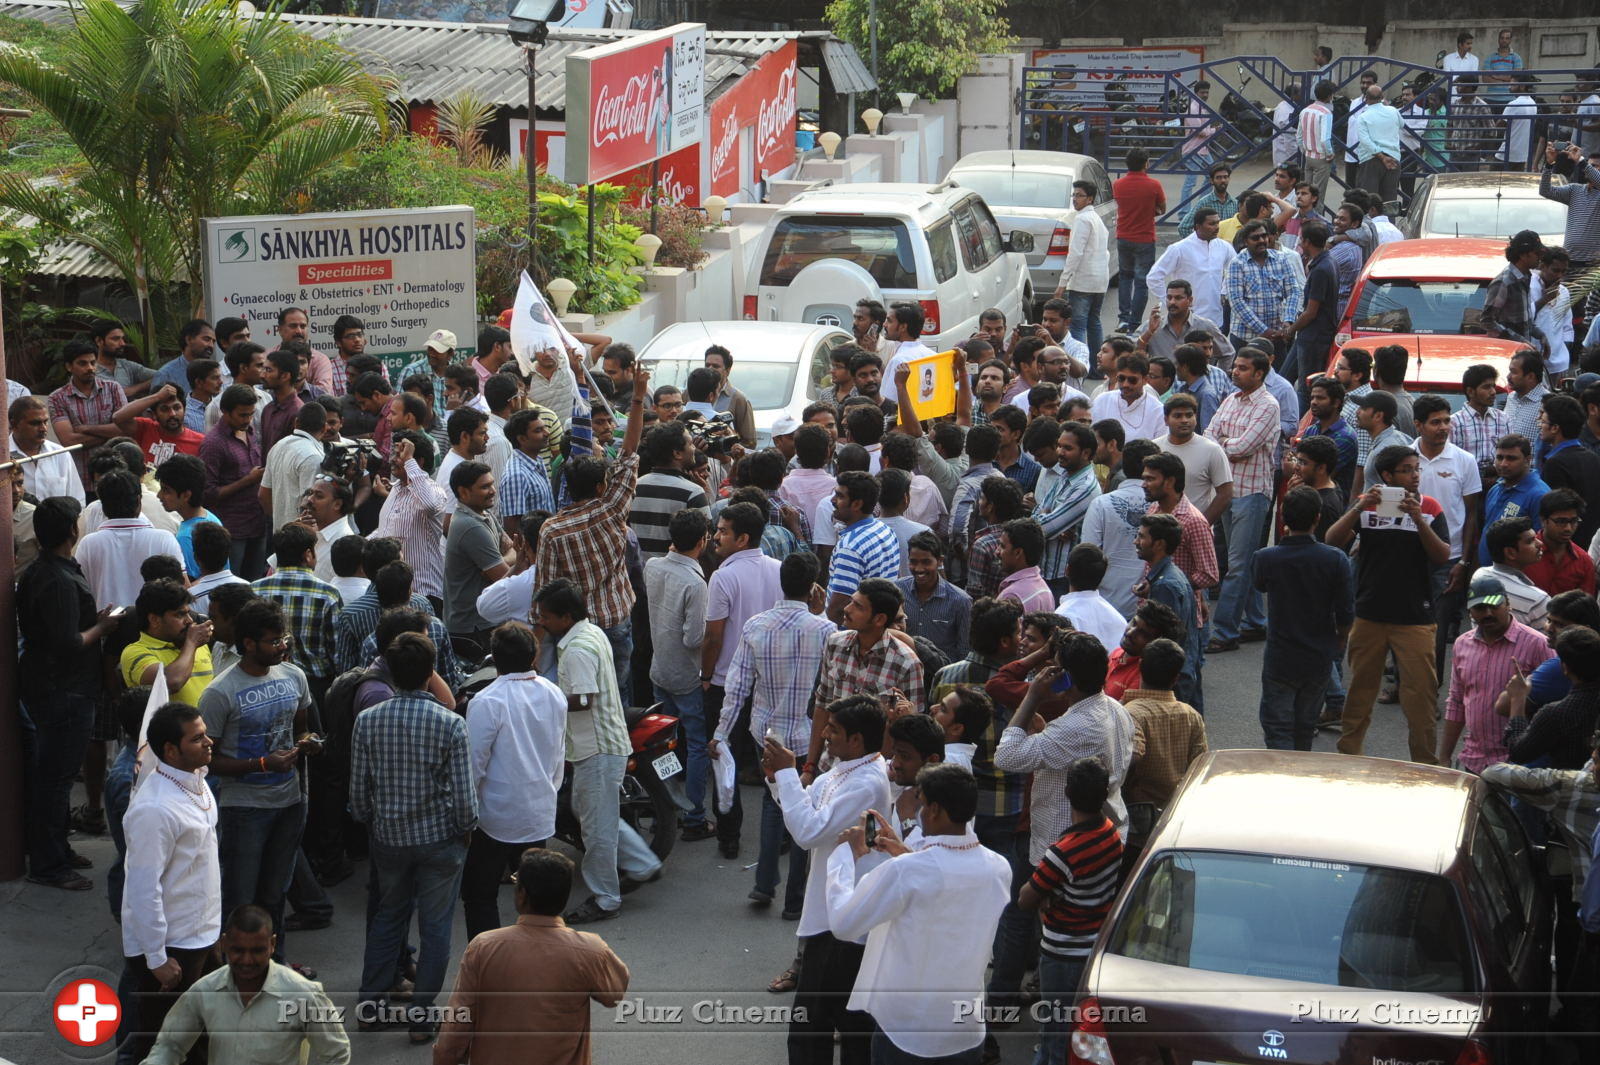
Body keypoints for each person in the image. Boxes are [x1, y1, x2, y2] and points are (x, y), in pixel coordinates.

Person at [824, 763, 1012, 1064]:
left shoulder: (907, 871)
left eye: (921, 805)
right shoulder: (999, 868)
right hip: (965, 1031)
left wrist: (845, 856)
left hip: (907, 1032)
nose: (918, 812)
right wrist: (904, 854)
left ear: (935, 810)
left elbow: (843, 923)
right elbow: (944, 886)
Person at [349, 631, 474, 1040]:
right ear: (429, 673)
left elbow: (358, 794)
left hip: (388, 839)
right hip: (441, 841)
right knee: (436, 929)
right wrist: (464, 831)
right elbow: (464, 800)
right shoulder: (451, 724)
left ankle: (371, 1007)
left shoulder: (368, 720)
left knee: (389, 918)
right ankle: (422, 1019)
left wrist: (373, 823)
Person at [762, 694, 891, 1065]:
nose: (825, 736)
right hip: (832, 916)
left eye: (833, 730)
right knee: (828, 1023)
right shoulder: (844, 768)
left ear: (857, 739)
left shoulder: (866, 782)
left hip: (845, 925)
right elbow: (807, 804)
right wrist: (777, 779)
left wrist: (786, 773)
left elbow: (808, 832)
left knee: (815, 1027)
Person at [716, 551, 837, 920]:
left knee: (774, 805)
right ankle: (795, 900)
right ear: (815, 587)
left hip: (766, 733)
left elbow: (736, 687)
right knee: (804, 806)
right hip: (808, 737)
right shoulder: (826, 631)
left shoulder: (756, 626)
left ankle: (764, 883)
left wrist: (721, 732)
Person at [534, 579, 660, 923]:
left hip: (598, 749)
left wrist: (547, 699)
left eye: (546, 616)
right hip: (602, 744)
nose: (541, 621)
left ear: (565, 616)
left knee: (596, 830)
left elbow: (585, 699)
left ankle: (606, 898)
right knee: (593, 814)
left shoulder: (576, 649)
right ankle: (644, 863)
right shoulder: (591, 634)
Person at [198, 598, 316, 963]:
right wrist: (263, 763)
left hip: (289, 803)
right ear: (248, 644)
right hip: (244, 809)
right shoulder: (219, 693)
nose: (282, 646)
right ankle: (233, 974)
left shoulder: (294, 676)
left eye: (283, 639)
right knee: (240, 897)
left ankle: (274, 965)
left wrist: (306, 745)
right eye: (273, 641)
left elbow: (302, 729)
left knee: (275, 893)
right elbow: (208, 761)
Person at [436, 848, 629, 1065]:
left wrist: (445, 1058)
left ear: (522, 895)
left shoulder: (484, 947)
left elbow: (457, 1022)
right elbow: (613, 995)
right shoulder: (591, 951)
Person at [17, 497, 120, 890]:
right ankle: (48, 863)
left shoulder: (50, 570)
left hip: (57, 685)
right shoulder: (55, 578)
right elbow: (66, 642)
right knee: (55, 779)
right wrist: (102, 629)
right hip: (63, 688)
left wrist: (93, 622)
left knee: (54, 776)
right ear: (71, 532)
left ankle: (56, 849)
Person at [1325, 446, 1451, 763]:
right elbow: (1332, 540)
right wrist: (1358, 508)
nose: (1415, 476)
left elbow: (1441, 556)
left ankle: (1424, 764)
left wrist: (1418, 519)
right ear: (1387, 476)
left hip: (1415, 617)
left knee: (1420, 695)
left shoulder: (1430, 507)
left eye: (1416, 469)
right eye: (1407, 470)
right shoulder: (1368, 507)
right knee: (1361, 691)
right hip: (1369, 613)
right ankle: (1349, 756)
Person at [535, 370, 649, 703]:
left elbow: (542, 591)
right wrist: (638, 396)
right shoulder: (613, 509)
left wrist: (536, 648)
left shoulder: (551, 529)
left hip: (573, 631)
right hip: (615, 621)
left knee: (580, 700)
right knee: (618, 695)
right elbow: (630, 449)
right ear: (601, 486)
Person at [119, 703, 220, 1062]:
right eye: (197, 738)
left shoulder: (196, 780)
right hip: (172, 946)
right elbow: (143, 891)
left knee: (200, 1037)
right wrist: (157, 957)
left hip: (200, 937)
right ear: (170, 750)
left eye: (205, 732)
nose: (208, 741)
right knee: (163, 1044)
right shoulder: (154, 809)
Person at [459, 622, 566, 941]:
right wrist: (548, 793)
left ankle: (489, 963)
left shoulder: (486, 701)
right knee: (538, 902)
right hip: (538, 812)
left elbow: (473, 766)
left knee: (479, 895)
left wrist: (466, 817)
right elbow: (558, 755)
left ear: (496, 660)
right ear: (533, 656)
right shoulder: (554, 693)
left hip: (495, 818)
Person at [143, 903, 350, 1065]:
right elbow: (170, 1046)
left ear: (272, 945)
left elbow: (336, 1053)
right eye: (238, 950)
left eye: (257, 950)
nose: (247, 960)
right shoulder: (204, 991)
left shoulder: (305, 995)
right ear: (223, 944)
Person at [1017, 754, 1123, 1065]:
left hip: (1061, 953)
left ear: (1067, 793)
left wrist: (1048, 895)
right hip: (1092, 948)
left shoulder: (1062, 852)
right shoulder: (1111, 834)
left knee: (1055, 1030)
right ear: (1104, 793)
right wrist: (1050, 893)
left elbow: (1025, 899)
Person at [996, 628, 1134, 864]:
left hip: (1065, 849)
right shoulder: (1115, 708)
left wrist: (1032, 696)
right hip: (1103, 836)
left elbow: (1006, 757)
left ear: (1066, 678)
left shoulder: (1076, 727)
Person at [1253, 486, 1355, 749]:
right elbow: (1346, 610)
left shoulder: (1266, 558)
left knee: (1277, 727)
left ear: (1284, 518)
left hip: (1281, 654)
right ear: (1317, 518)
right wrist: (1341, 639)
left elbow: (1260, 585)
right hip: (1318, 653)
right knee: (1305, 727)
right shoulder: (1335, 559)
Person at [642, 509, 711, 839]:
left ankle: (664, 806)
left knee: (663, 744)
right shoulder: (696, 584)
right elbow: (694, 638)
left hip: (660, 669)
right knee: (696, 743)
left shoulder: (653, 567)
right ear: (702, 541)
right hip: (685, 675)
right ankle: (695, 815)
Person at [1205, 349, 1280, 652]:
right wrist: (1224, 444)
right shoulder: (1229, 400)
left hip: (1251, 494)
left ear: (1259, 373)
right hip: (1227, 491)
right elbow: (1209, 434)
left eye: (1243, 368)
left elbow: (1242, 447)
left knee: (1236, 565)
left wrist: (1221, 444)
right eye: (1235, 367)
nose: (1235, 372)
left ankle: (1224, 632)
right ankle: (1256, 622)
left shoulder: (1268, 405)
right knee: (1243, 562)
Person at [1118, 639, 1206, 814]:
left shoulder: (1130, 713)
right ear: (1176, 679)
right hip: (1177, 808)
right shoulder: (1191, 715)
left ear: (1140, 666)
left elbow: (1132, 756)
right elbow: (1200, 766)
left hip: (1140, 811)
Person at [374, 432, 452, 609]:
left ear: (419, 461)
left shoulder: (436, 492)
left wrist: (409, 460)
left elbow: (429, 505)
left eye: (399, 455)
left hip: (423, 595)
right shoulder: (396, 490)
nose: (393, 459)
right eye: (393, 454)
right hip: (394, 595)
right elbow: (386, 530)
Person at [201, 383, 267, 579]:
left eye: (251, 414)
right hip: (232, 529)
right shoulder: (213, 443)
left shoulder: (250, 431)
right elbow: (208, 494)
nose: (248, 420)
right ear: (225, 412)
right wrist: (248, 480)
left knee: (255, 583)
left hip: (257, 523)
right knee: (233, 583)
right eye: (242, 415)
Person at [442, 460, 510, 650]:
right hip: (472, 628)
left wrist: (501, 560)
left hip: (482, 622)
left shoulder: (483, 514)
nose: (493, 490)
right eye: (485, 487)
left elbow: (512, 549)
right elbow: (504, 578)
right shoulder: (469, 525)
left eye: (492, 484)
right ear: (463, 492)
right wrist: (513, 561)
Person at [49, 339, 128, 489]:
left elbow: (125, 429)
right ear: (68, 366)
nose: (90, 368)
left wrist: (86, 429)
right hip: (80, 479)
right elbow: (69, 442)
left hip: (116, 476)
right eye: (82, 363)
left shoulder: (113, 388)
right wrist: (109, 431)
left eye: (93, 362)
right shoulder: (57, 398)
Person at [1144, 211, 1233, 327]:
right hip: (1186, 319)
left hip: (1215, 318)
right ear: (1197, 227)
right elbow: (1154, 277)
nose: (1216, 228)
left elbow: (1234, 270)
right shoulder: (1179, 249)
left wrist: (1225, 292)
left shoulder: (1224, 247)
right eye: (1211, 224)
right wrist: (1170, 302)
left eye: (1217, 223)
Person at [897, 530, 972, 664]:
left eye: (926, 562)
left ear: (939, 561)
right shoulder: (897, 590)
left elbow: (964, 650)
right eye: (913, 562)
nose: (919, 569)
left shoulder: (961, 601)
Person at [1054, 180, 1111, 351]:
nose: (1075, 199)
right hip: (1099, 281)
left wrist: (1062, 283)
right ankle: (1096, 367)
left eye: (1080, 195)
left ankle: (1080, 364)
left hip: (1083, 282)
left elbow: (1075, 254)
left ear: (1090, 199)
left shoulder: (1082, 219)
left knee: (1078, 325)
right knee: (1094, 322)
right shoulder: (1096, 219)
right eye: (1074, 195)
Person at [1538, 393, 1600, 549]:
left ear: (1555, 428)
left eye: (1543, 421)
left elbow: (1556, 513)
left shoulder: (1555, 464)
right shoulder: (1592, 457)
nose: (1539, 425)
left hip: (1569, 547)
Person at [1113, 148, 1165, 331]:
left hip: (1124, 236)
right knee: (1142, 282)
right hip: (1145, 238)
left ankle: (1123, 318)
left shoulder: (1118, 185)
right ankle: (1134, 323)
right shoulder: (1154, 185)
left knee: (1125, 278)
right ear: (1146, 163)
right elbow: (1162, 208)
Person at [258, 401, 326, 533]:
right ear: (324, 428)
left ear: (296, 423)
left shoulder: (278, 446)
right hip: (303, 539)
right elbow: (312, 507)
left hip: (281, 535)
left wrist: (281, 521)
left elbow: (263, 495)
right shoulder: (313, 456)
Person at [1474, 516, 1553, 628]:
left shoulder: (1479, 575)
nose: (1540, 543)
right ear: (1510, 553)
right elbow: (1546, 643)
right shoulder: (1537, 599)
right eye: (1530, 541)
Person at [1481, 231, 1548, 352]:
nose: (1540, 258)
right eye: (1537, 253)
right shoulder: (1504, 282)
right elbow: (1488, 321)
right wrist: (1519, 341)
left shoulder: (1526, 277)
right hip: (1507, 353)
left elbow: (1523, 320)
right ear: (1523, 255)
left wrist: (1540, 335)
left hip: (1523, 352)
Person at [1530, 489, 1594, 595]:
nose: (1568, 528)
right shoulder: (1522, 554)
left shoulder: (1584, 562)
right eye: (1561, 521)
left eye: (1573, 521)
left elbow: (1586, 607)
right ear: (1543, 520)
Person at [1353, 83, 1403, 208]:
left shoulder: (1363, 117)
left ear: (1366, 99)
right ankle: (1388, 225)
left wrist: (1381, 156)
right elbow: (1402, 124)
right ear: (1382, 97)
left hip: (1371, 160)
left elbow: (1365, 141)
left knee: (1368, 200)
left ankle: (1370, 226)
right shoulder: (1393, 111)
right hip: (1393, 158)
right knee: (1389, 200)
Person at [703, 344, 758, 446]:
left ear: (727, 371)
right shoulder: (691, 393)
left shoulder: (738, 399)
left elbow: (750, 443)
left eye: (715, 366)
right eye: (707, 365)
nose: (710, 369)